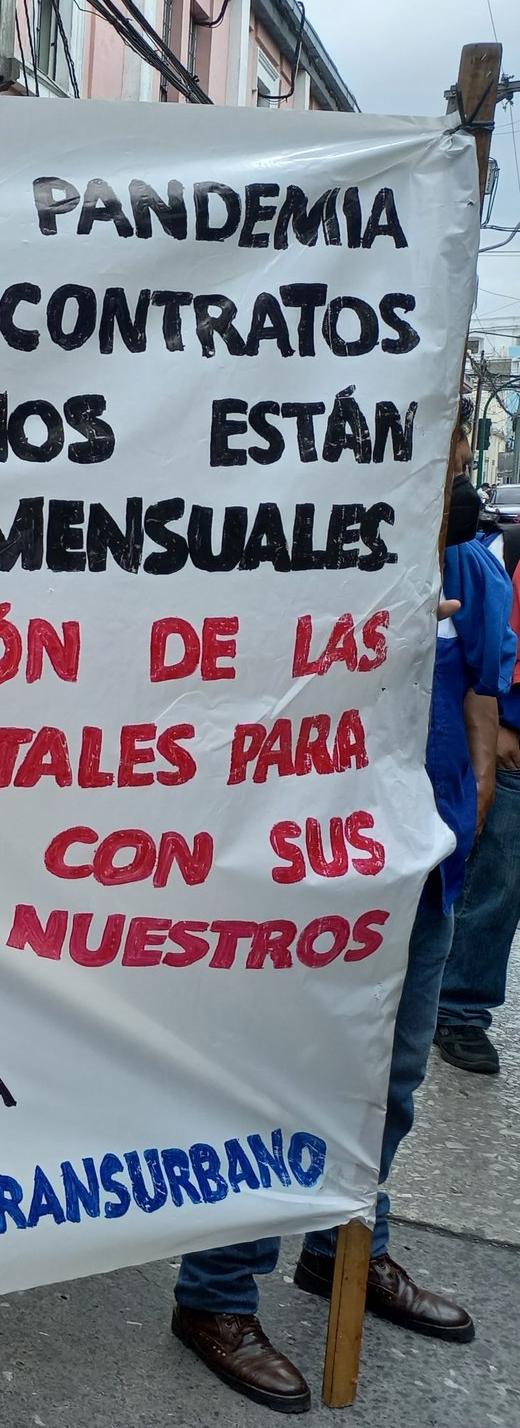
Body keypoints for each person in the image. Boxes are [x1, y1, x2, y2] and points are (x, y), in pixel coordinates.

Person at [166, 435, 510, 1413]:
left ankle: (348, 1250)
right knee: (272, 1086)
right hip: (303, 881)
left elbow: (481, 692)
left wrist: (471, 801)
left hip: (422, 877)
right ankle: (216, 1292)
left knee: (389, 1087)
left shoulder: (466, 564)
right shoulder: (290, 547)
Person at [434, 521, 520, 1074]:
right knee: (496, 886)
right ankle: (461, 1009)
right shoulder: (490, 553)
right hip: (513, 745)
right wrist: (497, 739)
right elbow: (488, 668)